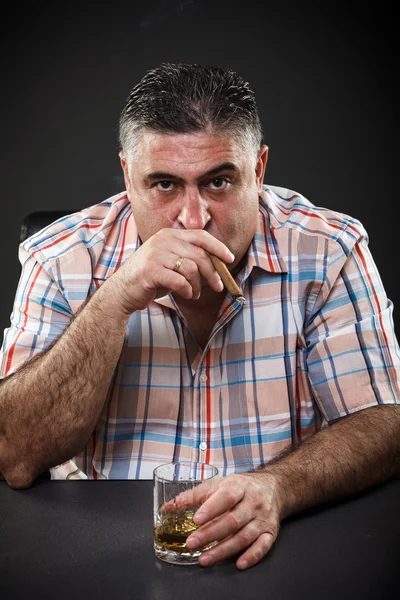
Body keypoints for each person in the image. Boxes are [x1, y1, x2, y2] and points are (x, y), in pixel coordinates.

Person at [0, 63, 399, 570]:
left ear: (258, 170)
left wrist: (277, 487)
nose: (193, 219)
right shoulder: (60, 258)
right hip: (102, 551)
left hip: (279, 545)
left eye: (218, 182)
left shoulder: (328, 251)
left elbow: (385, 422)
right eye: (164, 185)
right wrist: (115, 299)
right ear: (127, 176)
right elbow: (13, 454)